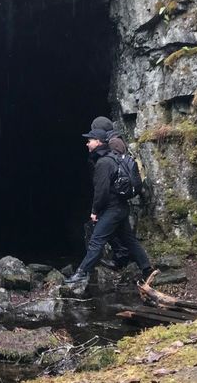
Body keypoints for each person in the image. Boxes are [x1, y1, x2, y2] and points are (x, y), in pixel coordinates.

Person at [65, 126, 153, 291]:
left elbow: (101, 191)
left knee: (96, 240)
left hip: (112, 210)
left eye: (89, 140)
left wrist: (95, 211)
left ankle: (81, 273)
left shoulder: (103, 163)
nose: (87, 144)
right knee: (129, 240)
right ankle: (147, 269)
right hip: (122, 207)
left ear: (98, 142)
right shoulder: (113, 157)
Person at [88, 116, 130, 270]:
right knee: (125, 235)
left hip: (114, 195)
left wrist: (96, 209)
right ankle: (137, 263)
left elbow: (112, 169)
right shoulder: (115, 140)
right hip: (115, 195)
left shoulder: (113, 143)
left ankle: (82, 272)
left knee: (100, 233)